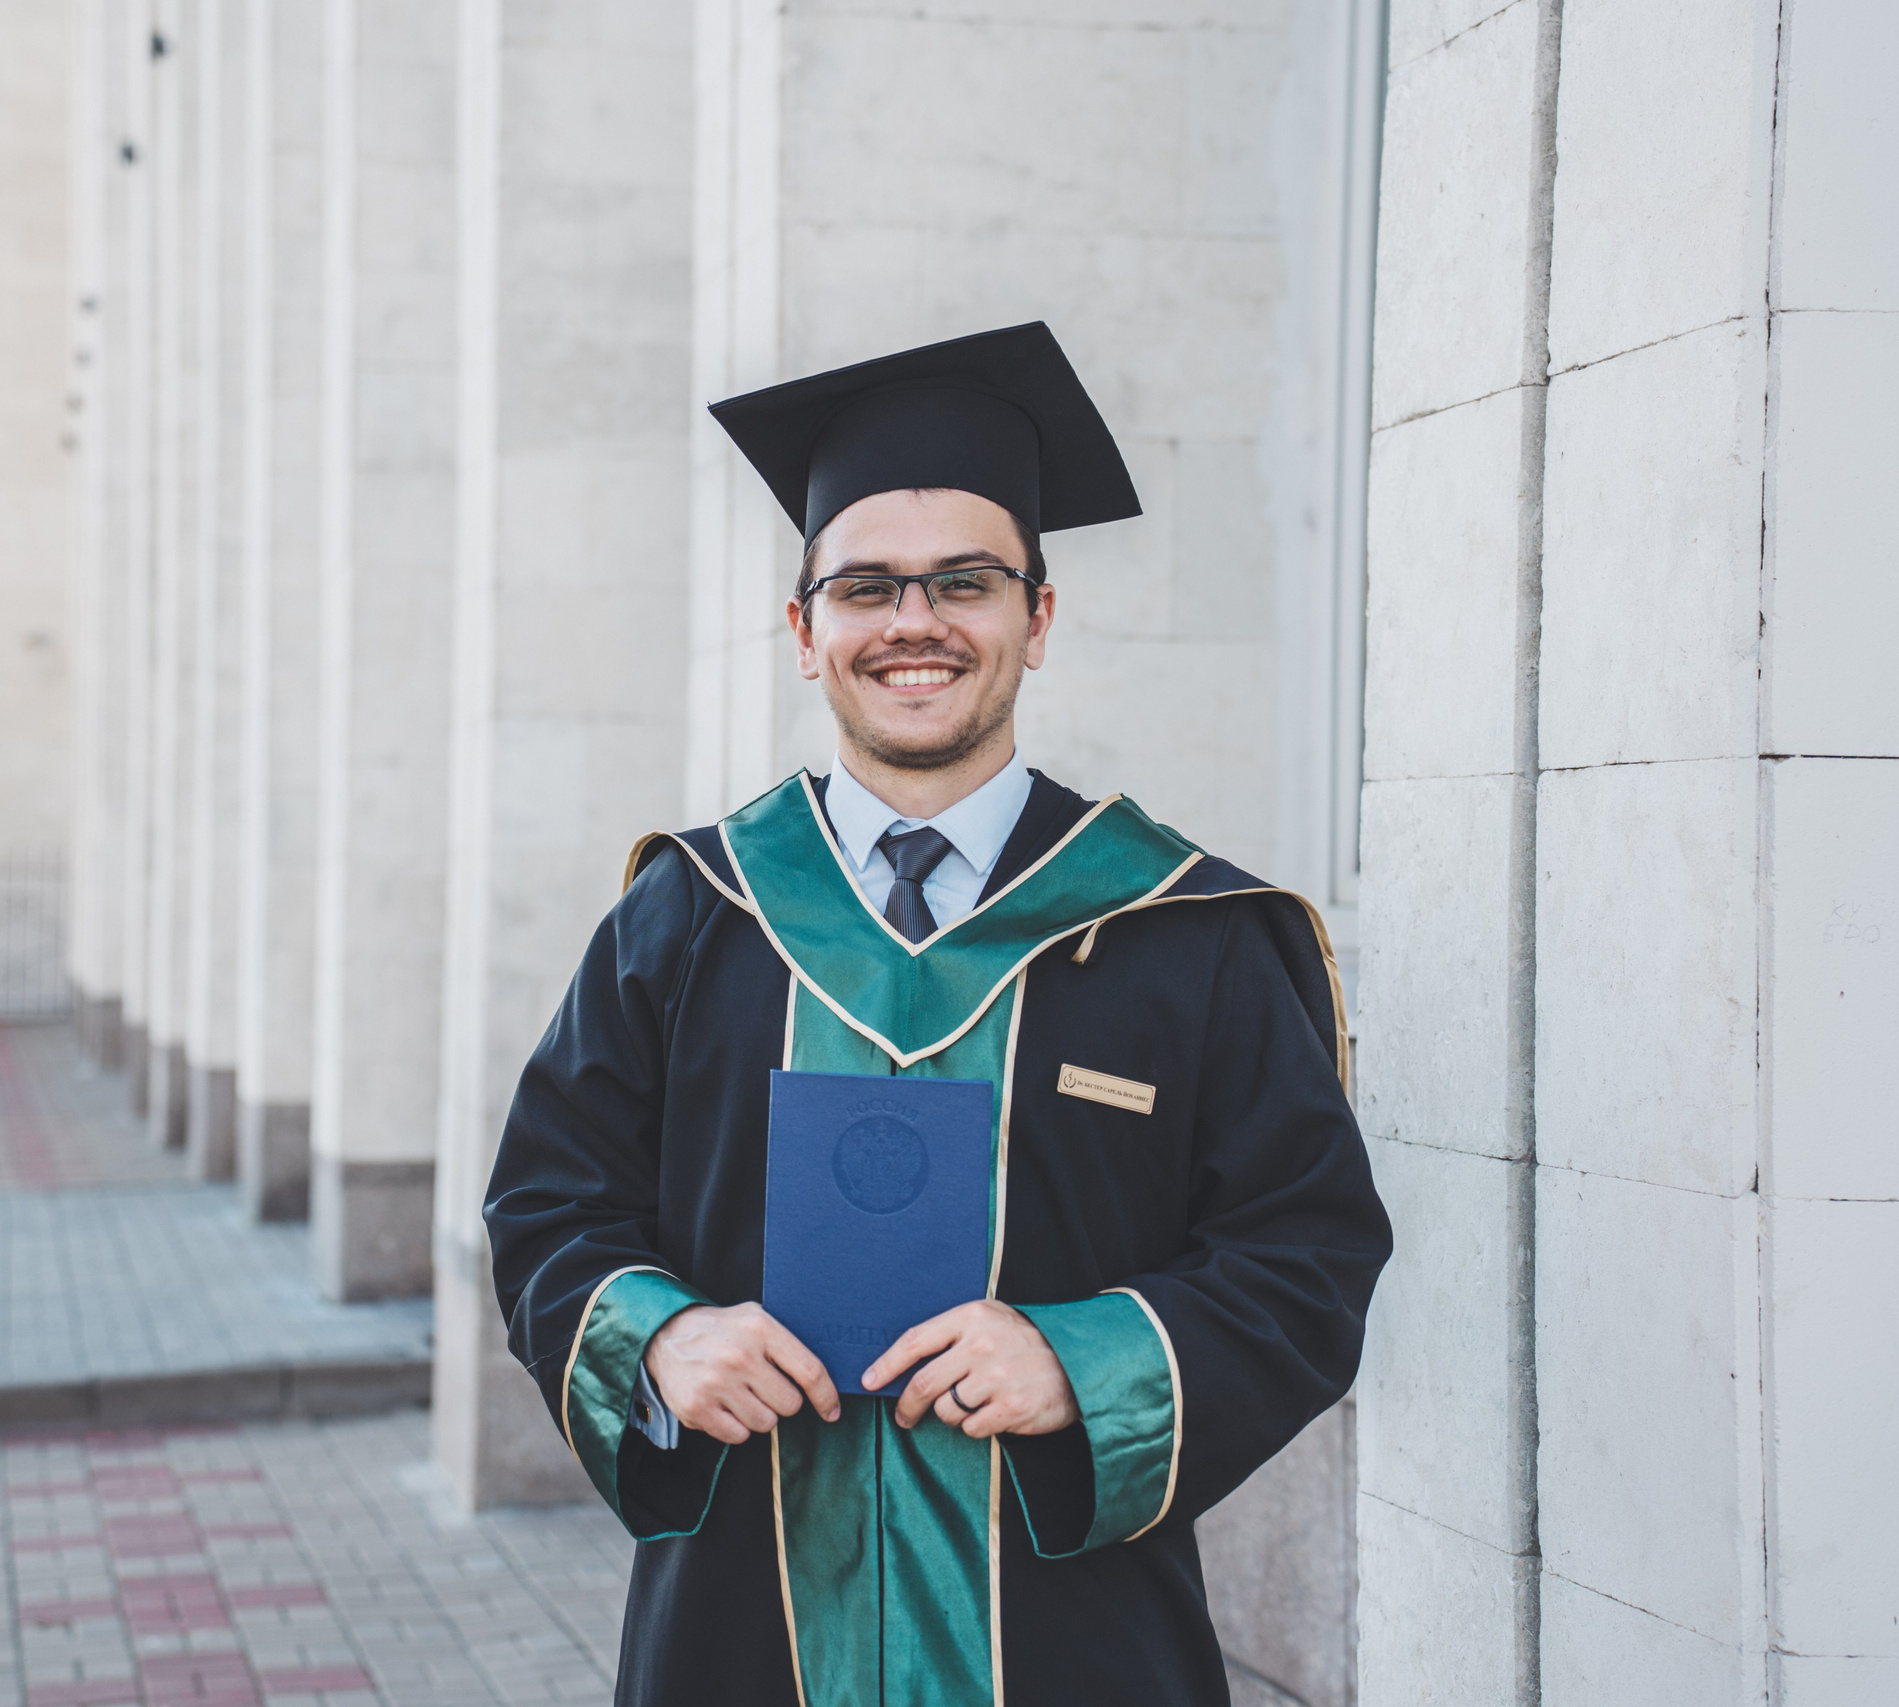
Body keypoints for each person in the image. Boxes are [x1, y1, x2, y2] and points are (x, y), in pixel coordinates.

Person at [484, 323, 1391, 1707]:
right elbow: (550, 1204)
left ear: (1038, 614)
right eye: (865, 589)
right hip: (742, 1633)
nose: (914, 623)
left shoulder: (1182, 933)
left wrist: (1083, 1359)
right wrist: (661, 1337)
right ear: (804, 633)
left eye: (964, 581)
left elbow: (1306, 1254)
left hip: (1079, 1641)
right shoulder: (689, 918)